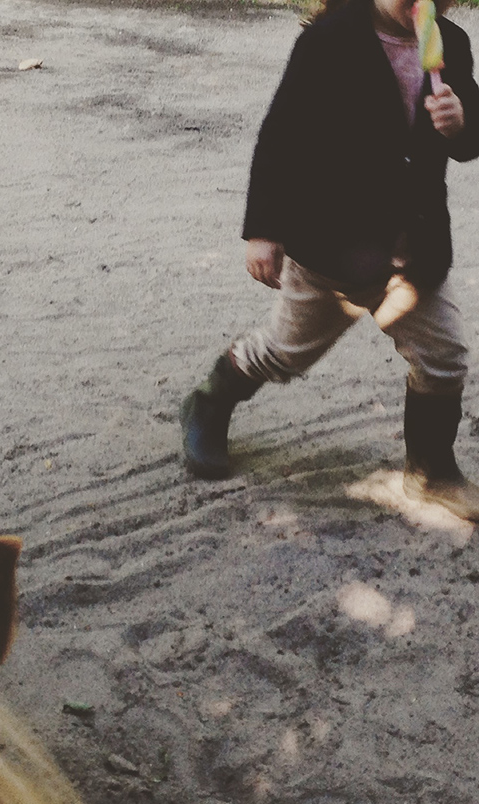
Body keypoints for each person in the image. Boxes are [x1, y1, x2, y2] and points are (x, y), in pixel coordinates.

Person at [180, 0, 479, 520]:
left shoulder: (450, 44)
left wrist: (462, 124)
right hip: (329, 247)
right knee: (285, 352)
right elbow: (282, 135)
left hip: (412, 251)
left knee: (445, 354)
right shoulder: (330, 39)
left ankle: (431, 470)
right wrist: (265, 231)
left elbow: (468, 140)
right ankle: (209, 400)